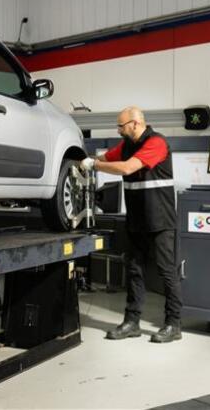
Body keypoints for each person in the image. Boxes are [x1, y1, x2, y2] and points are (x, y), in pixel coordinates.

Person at [80, 106, 182, 343]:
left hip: (160, 220)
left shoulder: (156, 143)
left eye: (121, 126)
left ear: (135, 124)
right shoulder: (126, 146)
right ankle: (131, 322)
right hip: (137, 220)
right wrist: (81, 161)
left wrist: (93, 165)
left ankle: (173, 324)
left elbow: (127, 167)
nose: (118, 130)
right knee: (134, 270)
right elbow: (105, 158)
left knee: (167, 271)